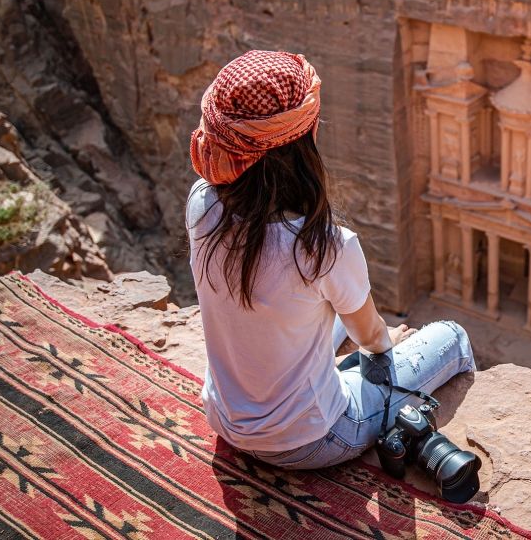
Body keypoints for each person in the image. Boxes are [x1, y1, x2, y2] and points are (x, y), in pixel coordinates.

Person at [186, 50, 475, 469]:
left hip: (225, 419)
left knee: (319, 309)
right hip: (312, 439)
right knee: (452, 338)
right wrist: (379, 345)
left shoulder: (201, 204)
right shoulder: (323, 246)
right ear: (304, 141)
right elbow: (373, 339)